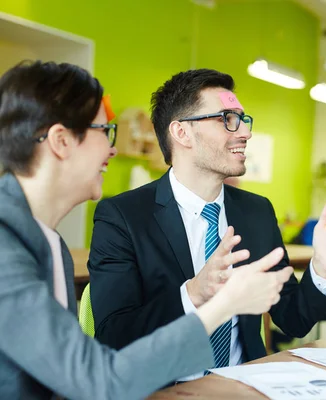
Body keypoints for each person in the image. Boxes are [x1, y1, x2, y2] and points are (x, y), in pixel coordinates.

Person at [0, 60, 294, 399]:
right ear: (61, 141)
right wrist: (223, 304)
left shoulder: (49, 242)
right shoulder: (7, 248)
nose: (112, 150)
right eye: (104, 131)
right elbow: (99, 380)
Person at [87, 68, 326, 380]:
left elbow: (293, 319)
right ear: (181, 132)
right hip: (165, 388)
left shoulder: (255, 212)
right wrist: (194, 293)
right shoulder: (123, 216)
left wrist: (321, 267)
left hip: (242, 383)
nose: (245, 132)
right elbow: (114, 336)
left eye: (244, 119)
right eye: (228, 118)